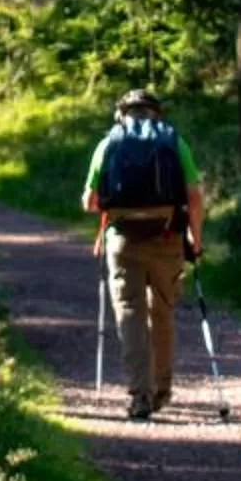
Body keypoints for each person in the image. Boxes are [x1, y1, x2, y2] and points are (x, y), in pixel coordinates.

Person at [80, 87, 203, 420]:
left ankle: (140, 396)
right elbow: (193, 197)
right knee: (161, 312)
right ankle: (162, 390)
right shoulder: (174, 142)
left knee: (130, 314)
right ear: (156, 113)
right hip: (167, 237)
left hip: (122, 240)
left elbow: (89, 201)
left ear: (122, 113)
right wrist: (195, 237)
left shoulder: (109, 144)